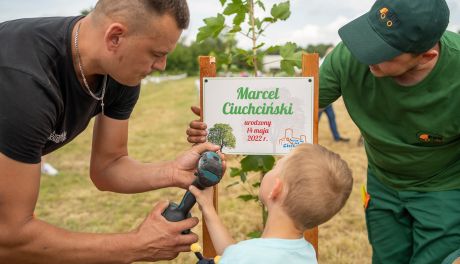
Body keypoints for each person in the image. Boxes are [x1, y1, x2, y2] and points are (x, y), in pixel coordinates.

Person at [186, 0, 460, 263]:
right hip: (384, 181)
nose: (365, 55)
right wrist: (223, 120)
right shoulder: (349, 57)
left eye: (382, 50)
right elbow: (293, 107)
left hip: (444, 186)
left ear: (426, 56)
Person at [0, 1, 225, 263]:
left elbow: (108, 167)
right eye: (156, 53)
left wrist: (174, 172)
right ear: (115, 37)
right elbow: (9, 237)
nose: (162, 65)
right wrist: (135, 246)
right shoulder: (25, 81)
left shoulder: (119, 70)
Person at [189, 143, 353, 263]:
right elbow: (232, 255)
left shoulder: (246, 257)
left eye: (275, 167)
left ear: (275, 189)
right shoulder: (306, 253)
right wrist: (208, 208)